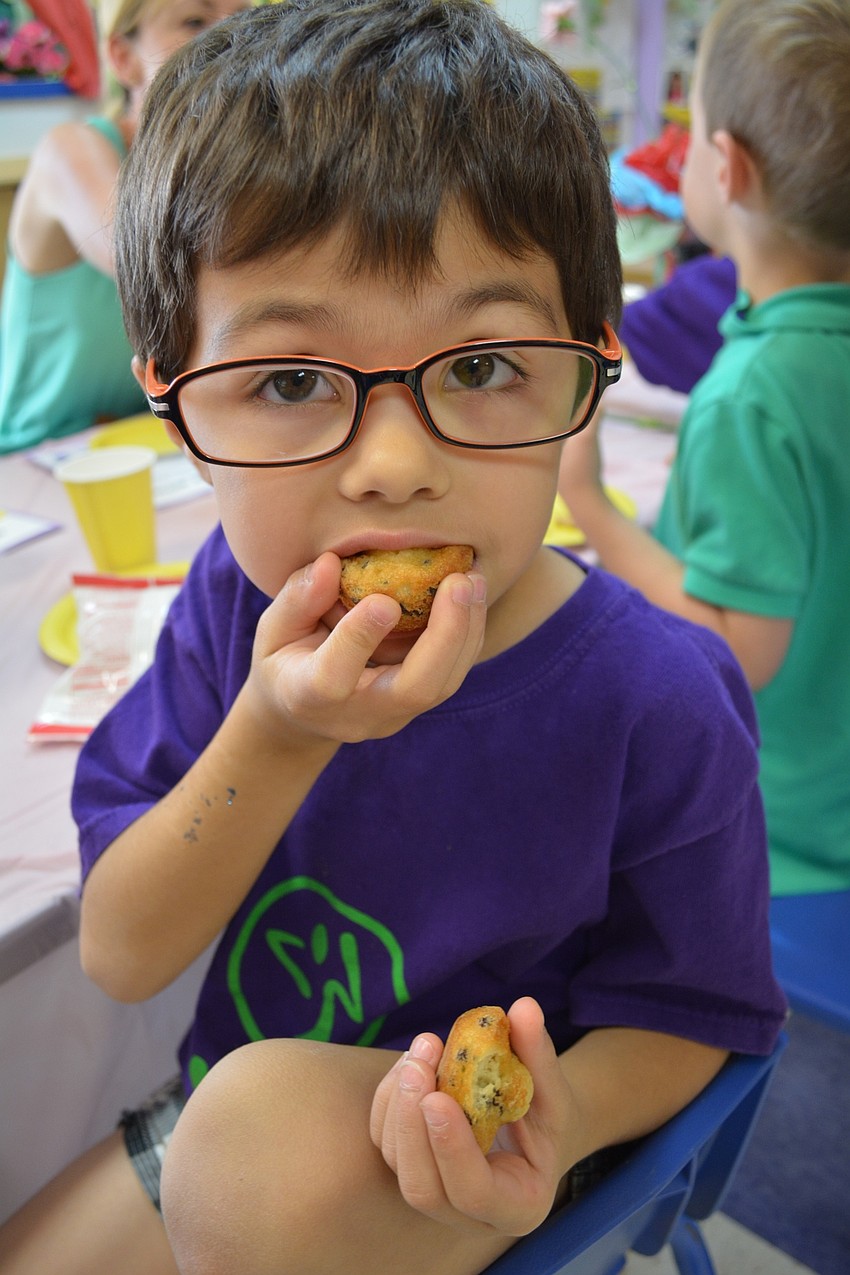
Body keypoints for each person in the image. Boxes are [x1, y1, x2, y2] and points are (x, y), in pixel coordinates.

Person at [0, 3, 786, 1272]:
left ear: (584, 374)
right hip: (217, 1115)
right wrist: (275, 729)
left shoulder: (658, 696)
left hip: (478, 1170)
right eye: (293, 382)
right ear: (175, 400)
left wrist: (561, 1110)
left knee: (247, 1146)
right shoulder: (231, 604)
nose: (392, 467)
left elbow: (693, 1009)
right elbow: (125, 951)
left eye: (480, 368)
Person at [560, 0, 850, 899]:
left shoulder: (751, 395)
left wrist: (595, 506)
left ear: (727, 169)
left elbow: (735, 646)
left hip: (793, 840)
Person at [0, 0, 249, 455]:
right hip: (36, 456)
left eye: (243, 17)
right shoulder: (70, 150)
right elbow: (150, 262)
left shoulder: (224, 172)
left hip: (152, 443)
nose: (230, 37)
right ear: (122, 58)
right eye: (194, 20)